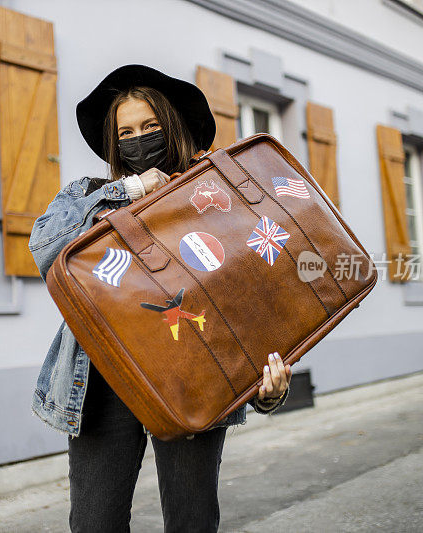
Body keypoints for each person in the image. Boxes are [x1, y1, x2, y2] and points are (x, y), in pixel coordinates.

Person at [28, 64, 292, 533]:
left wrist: (266, 391)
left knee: (191, 521)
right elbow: (46, 249)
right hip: (103, 378)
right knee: (94, 523)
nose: (138, 139)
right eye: (125, 131)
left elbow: (253, 290)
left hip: (193, 372)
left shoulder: (217, 192)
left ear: (173, 125)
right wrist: (130, 190)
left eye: (150, 127)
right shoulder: (93, 196)